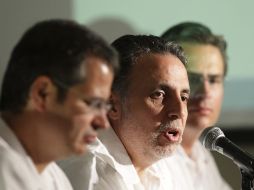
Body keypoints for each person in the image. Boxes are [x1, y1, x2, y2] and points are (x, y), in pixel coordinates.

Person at [59, 35, 190, 190]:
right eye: (159, 95)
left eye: (183, 97)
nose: (179, 111)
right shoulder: (88, 173)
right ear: (112, 104)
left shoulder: (169, 168)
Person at [0, 19, 118, 190]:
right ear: (43, 94)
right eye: (93, 104)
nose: (103, 123)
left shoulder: (54, 177)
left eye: (105, 106)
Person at [161, 22, 232, 190]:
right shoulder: (151, 156)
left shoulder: (201, 154)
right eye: (192, 79)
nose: (206, 92)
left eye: (214, 80)